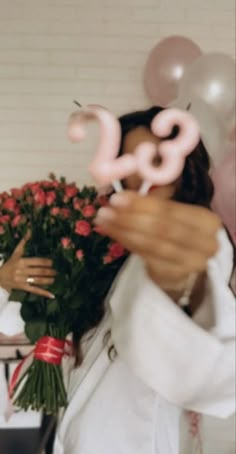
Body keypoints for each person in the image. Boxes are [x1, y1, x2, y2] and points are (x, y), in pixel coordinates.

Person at [0, 107, 235, 454]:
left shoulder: (197, 245)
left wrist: (177, 284)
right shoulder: (96, 252)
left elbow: (203, 364)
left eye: (155, 160)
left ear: (182, 168)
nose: (143, 175)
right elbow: (12, 321)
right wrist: (6, 283)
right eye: (128, 160)